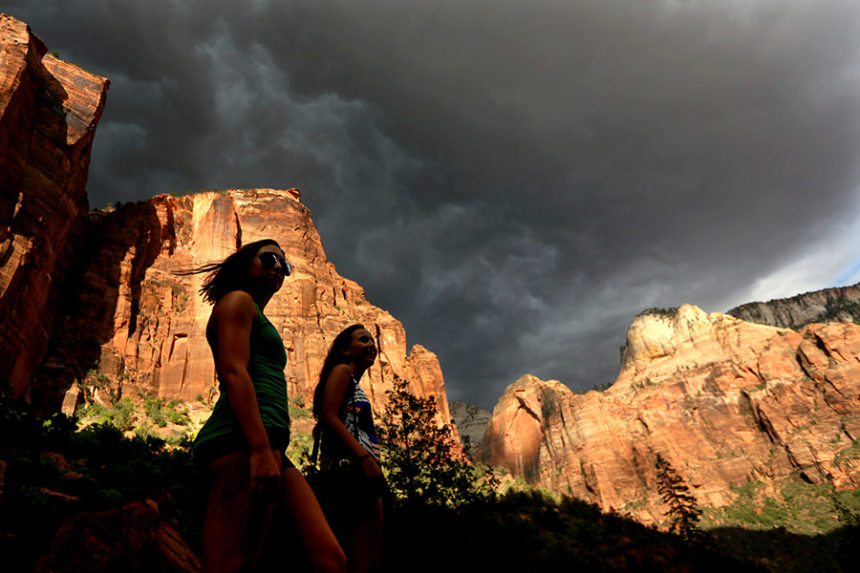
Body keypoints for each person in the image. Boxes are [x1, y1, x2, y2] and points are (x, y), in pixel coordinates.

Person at [185, 239, 346, 573]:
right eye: (270, 258)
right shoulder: (237, 300)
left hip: (270, 443)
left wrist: (265, 447)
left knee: (330, 559)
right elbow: (232, 371)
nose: (278, 268)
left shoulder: (257, 314)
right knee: (230, 564)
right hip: (237, 440)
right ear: (247, 263)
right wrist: (258, 448)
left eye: (284, 265)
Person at [312, 325, 386, 573]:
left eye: (372, 340)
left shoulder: (354, 383)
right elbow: (329, 416)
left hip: (363, 474)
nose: (371, 345)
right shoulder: (342, 371)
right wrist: (364, 458)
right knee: (356, 552)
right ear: (345, 349)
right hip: (349, 473)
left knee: (367, 554)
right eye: (363, 339)